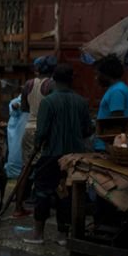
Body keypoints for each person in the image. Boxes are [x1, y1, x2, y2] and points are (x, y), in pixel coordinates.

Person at [28, 63, 92, 245]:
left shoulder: (48, 102)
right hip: (74, 156)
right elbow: (87, 130)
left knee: (42, 192)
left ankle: (38, 234)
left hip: (52, 155)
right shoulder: (81, 102)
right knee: (65, 193)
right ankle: (63, 235)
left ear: (54, 80)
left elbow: (41, 132)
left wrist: (36, 147)